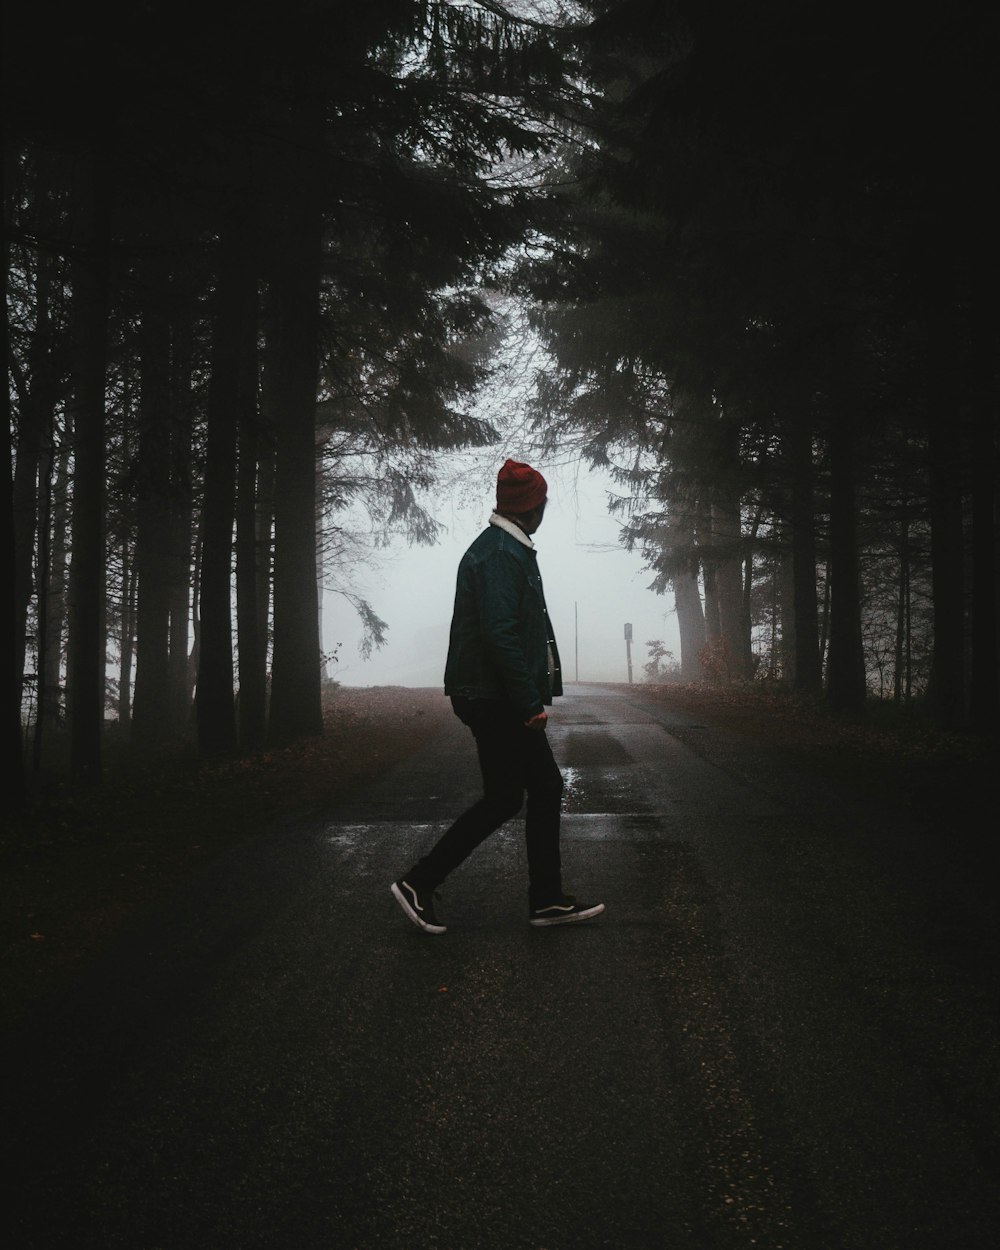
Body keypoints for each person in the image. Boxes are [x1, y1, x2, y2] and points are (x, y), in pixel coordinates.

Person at [391, 458, 605, 934]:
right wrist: (528, 701)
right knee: (523, 792)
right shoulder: (501, 555)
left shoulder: (506, 548)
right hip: (493, 696)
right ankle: (422, 882)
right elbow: (500, 633)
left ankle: (542, 898)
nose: (545, 508)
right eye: (544, 502)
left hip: (490, 693)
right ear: (534, 507)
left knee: (518, 794)